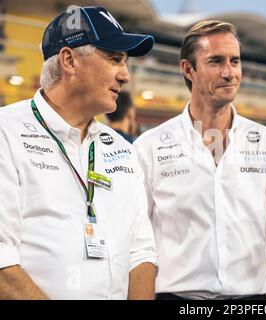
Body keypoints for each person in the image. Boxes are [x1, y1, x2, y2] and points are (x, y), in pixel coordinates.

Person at [134, 20, 266, 300]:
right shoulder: (149, 148)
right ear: (189, 70)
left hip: (250, 301)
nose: (229, 72)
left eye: (235, 61)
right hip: (176, 298)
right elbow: (137, 240)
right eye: (215, 61)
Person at [0, 6, 158, 299]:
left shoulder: (122, 149)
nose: (126, 76)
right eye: (114, 59)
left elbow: (141, 251)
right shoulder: (6, 133)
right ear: (69, 60)